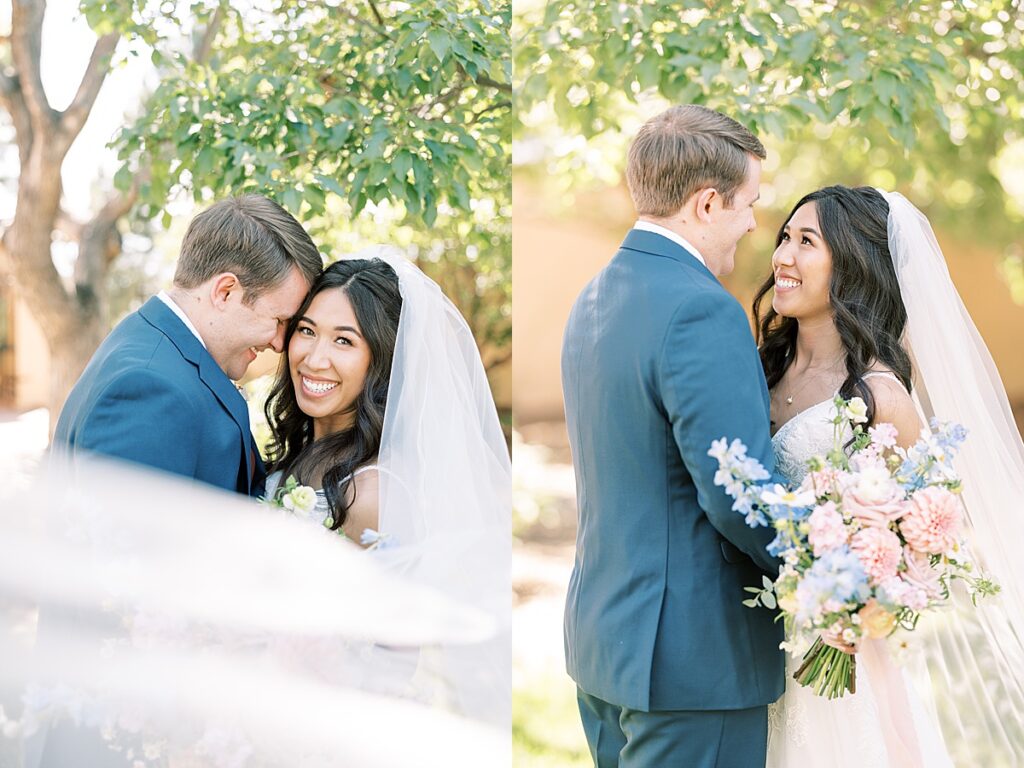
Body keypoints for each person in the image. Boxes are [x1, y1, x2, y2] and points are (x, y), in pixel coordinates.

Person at [755, 185, 1024, 765]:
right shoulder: (759, 369)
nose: (781, 256)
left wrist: (857, 589)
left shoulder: (881, 398)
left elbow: (929, 534)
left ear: (851, 265)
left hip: (841, 659)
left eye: (806, 242)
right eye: (783, 237)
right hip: (752, 650)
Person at [560, 104, 785, 767]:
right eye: (749, 203)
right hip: (693, 665)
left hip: (607, 646)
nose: (752, 222)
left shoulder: (595, 298)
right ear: (708, 203)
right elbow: (735, 492)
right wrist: (829, 575)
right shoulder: (701, 309)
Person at [264, 249, 512, 730]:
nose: (315, 358)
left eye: (344, 341)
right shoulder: (302, 455)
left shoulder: (373, 493)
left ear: (380, 362)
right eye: (307, 331)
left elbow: (397, 660)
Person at [53, 195, 322, 497]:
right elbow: (130, 541)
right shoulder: (148, 389)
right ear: (225, 292)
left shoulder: (159, 349)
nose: (279, 343)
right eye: (279, 320)